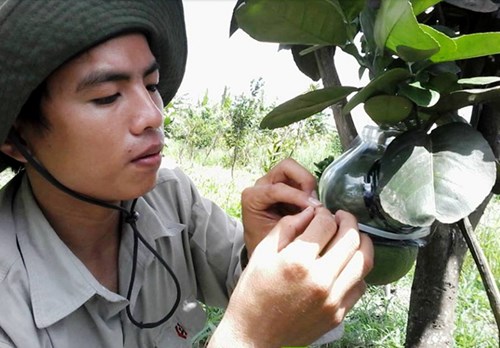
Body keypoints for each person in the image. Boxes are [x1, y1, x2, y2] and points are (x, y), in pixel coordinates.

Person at [0, 1, 373, 347]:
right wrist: (247, 338)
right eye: (107, 96)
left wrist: (265, 251)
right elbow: (256, 325)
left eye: (151, 86)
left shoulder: (169, 197)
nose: (153, 115)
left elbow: (244, 276)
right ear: (17, 138)